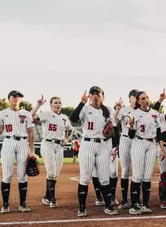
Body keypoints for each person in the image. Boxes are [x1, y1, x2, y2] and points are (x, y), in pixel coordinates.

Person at [69, 86, 120, 217]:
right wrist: (81, 102)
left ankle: (108, 206)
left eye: (98, 93)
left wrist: (115, 145)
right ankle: (81, 208)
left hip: (104, 145)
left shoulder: (108, 110)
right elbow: (73, 118)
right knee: (85, 178)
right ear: (89, 96)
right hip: (87, 144)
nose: (95, 95)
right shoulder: (85, 108)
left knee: (104, 178)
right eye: (93, 93)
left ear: (102, 96)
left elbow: (115, 129)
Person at [0, 90, 35, 213]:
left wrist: (31, 150)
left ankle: (22, 204)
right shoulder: (3, 113)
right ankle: (5, 204)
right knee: (7, 175)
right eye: (14, 96)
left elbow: (31, 132)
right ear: (9, 99)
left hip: (23, 143)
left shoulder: (26, 113)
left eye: (19, 97)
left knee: (22, 175)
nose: (17, 98)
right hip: (8, 142)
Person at [127, 91, 166, 214]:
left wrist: (162, 148)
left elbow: (159, 133)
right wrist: (132, 126)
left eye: (147, 97)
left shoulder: (155, 113)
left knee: (147, 176)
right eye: (143, 98)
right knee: (137, 175)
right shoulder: (134, 113)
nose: (146, 100)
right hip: (139, 142)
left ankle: (145, 204)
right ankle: (134, 204)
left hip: (152, 143)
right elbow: (131, 135)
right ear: (138, 101)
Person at [31, 95, 73, 208]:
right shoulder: (46, 114)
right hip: (48, 143)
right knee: (51, 172)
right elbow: (31, 117)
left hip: (59, 146)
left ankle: (47, 197)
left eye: (59, 102)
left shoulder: (64, 117)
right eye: (55, 102)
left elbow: (70, 130)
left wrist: (67, 139)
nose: (58, 104)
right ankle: (52, 199)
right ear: (50, 105)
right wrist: (38, 105)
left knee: (56, 173)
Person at [116, 89, 139, 210]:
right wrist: (117, 109)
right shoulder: (124, 110)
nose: (136, 98)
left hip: (137, 140)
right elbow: (114, 122)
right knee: (125, 170)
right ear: (129, 98)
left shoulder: (142, 111)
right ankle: (124, 200)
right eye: (134, 97)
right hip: (125, 139)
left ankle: (136, 199)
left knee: (137, 171)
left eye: (137, 96)